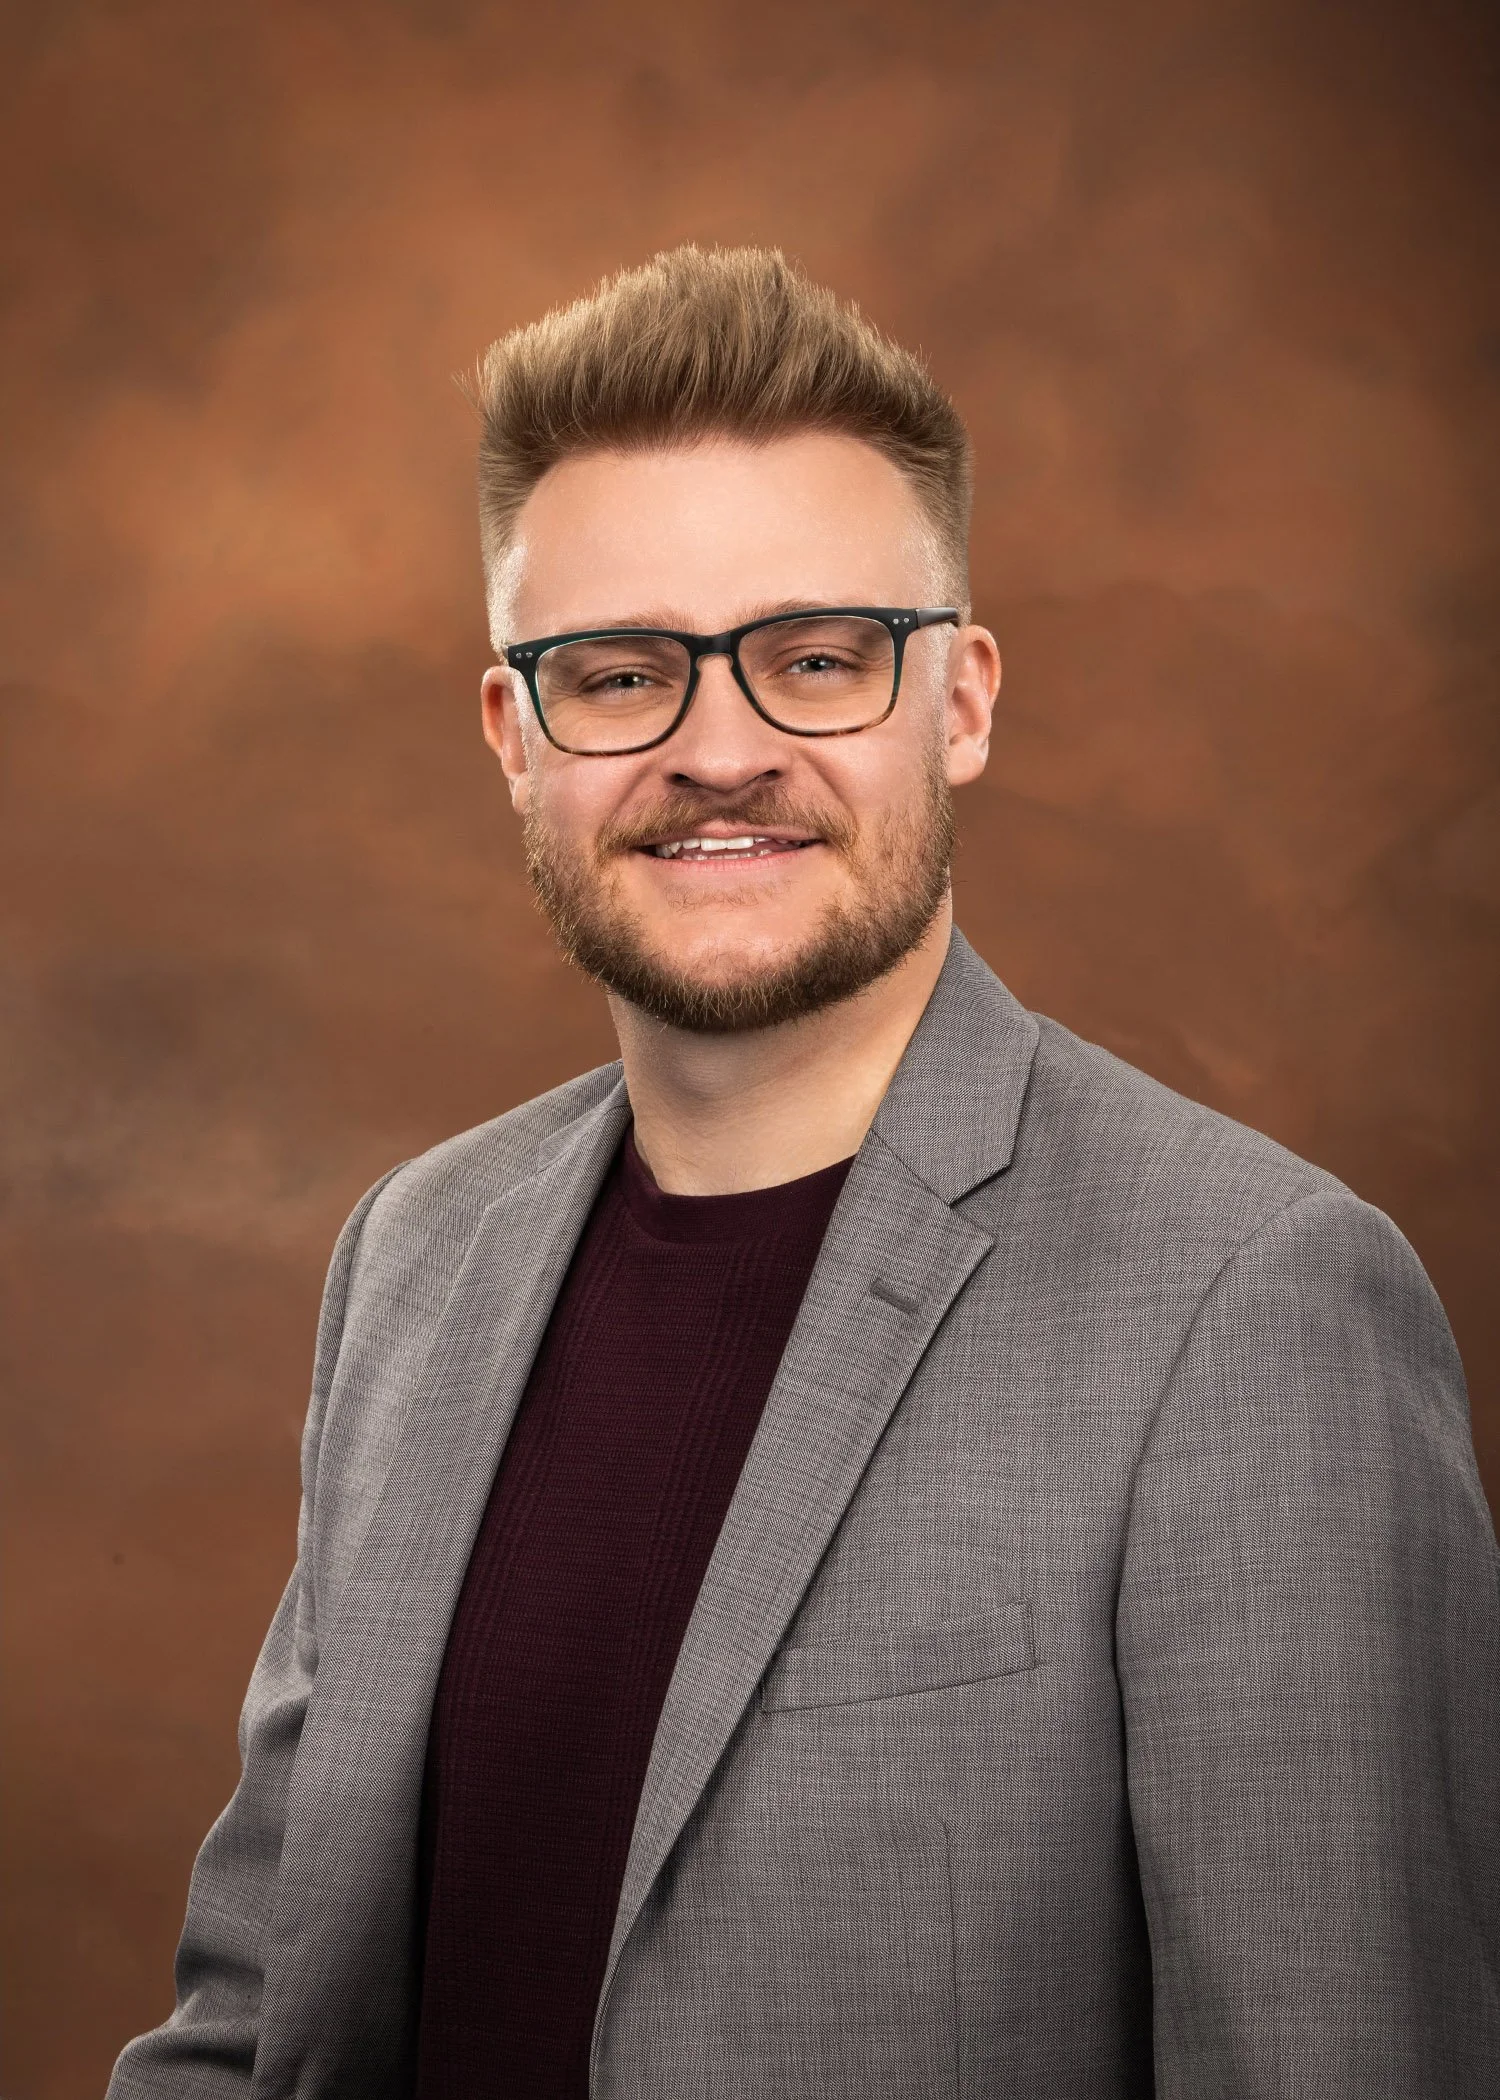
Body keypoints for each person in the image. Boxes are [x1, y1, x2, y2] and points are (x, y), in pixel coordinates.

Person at [108, 245, 1499, 2100]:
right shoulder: (416, 1258)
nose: (720, 751)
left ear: (963, 702)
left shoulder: (1255, 1304)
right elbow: (251, 2028)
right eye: (621, 674)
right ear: (517, 738)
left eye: (817, 659)